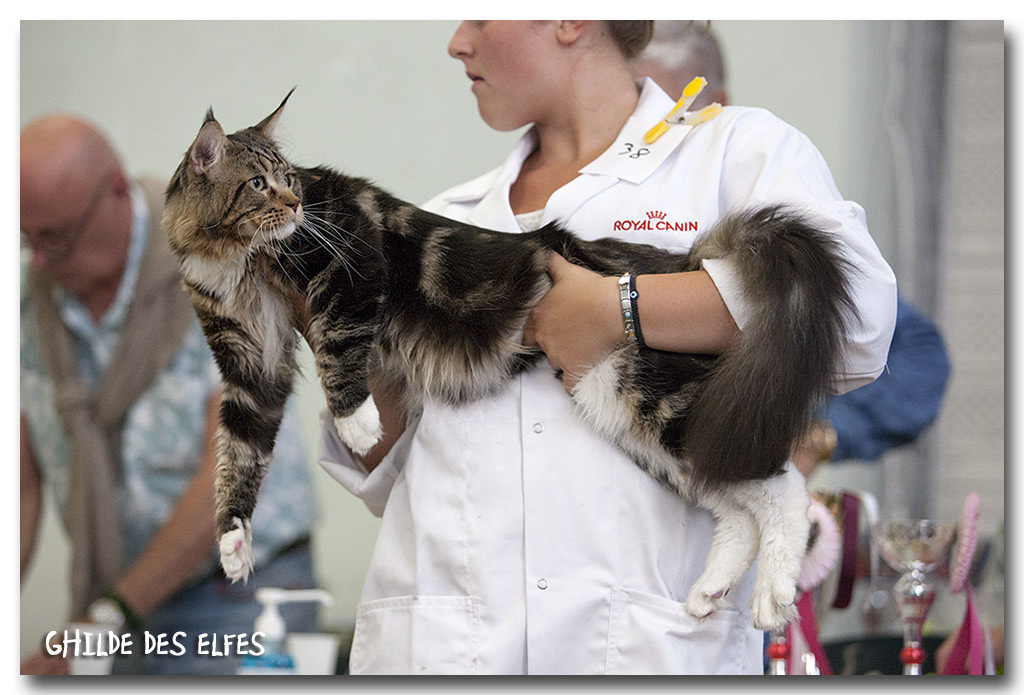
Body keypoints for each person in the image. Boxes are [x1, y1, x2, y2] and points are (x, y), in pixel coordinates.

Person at [318, 20, 897, 675]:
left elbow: (857, 322)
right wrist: (329, 318)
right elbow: (386, 472)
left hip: (643, 651)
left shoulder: (733, 154)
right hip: (445, 653)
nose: (457, 41)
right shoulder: (448, 219)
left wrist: (618, 310)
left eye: (480, 15)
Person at [20, 115, 319, 675]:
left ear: (113, 193)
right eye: (25, 238)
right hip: (122, 593)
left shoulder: (225, 263)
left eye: (55, 237)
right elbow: (19, 485)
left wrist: (106, 621)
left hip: (239, 592)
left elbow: (226, 475)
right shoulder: (32, 305)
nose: (37, 259)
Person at [632, 22, 951, 476]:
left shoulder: (758, 192)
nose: (644, 125)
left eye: (666, 107)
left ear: (716, 102)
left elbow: (914, 351)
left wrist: (818, 433)